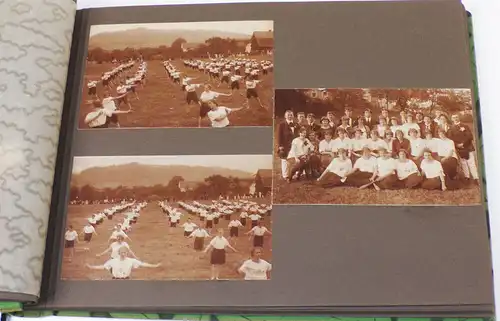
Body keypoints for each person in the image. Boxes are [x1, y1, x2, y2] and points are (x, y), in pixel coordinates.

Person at [86, 246, 160, 280]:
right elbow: (103, 267)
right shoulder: (113, 261)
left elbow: (142, 264)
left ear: (127, 253)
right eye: (121, 252)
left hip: (126, 280)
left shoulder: (131, 260)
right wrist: (92, 267)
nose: (123, 254)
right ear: (119, 253)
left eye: (125, 252)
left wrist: (154, 266)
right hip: (115, 280)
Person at [449, 114, 479, 184]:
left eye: (456, 117)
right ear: (451, 119)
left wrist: (463, 144)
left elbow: (470, 136)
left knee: (471, 162)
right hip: (459, 148)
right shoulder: (451, 128)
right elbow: (451, 138)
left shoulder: (465, 126)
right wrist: (457, 145)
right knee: (463, 162)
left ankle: (475, 177)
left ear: (459, 118)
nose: (455, 118)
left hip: (468, 146)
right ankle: (467, 177)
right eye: (454, 117)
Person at [277, 110, 299, 180]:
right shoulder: (282, 125)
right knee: (285, 160)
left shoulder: (296, 124)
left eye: (291, 115)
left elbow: (299, 134)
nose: (290, 116)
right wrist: (280, 146)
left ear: (293, 116)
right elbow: (279, 136)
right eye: (288, 115)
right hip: (285, 145)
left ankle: (297, 174)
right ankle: (285, 175)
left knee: (297, 159)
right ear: (285, 116)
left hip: (295, 145)